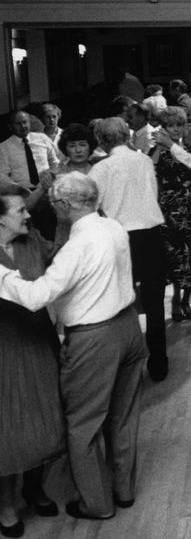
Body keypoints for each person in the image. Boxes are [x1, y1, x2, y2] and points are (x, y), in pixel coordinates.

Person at [0, 172, 147, 521]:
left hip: (95, 339)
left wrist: (3, 276)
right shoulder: (112, 227)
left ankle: (96, 504)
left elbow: (36, 297)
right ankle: (124, 491)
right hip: (128, 328)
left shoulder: (78, 245)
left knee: (83, 425)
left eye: (53, 204)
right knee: (124, 418)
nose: (37, 213)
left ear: (65, 206)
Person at [0, 188, 64, 537]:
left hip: (40, 343)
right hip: (5, 351)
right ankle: (6, 503)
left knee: (47, 419)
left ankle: (34, 488)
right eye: (21, 211)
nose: (28, 215)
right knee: (9, 430)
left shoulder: (33, 239)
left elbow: (65, 260)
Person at [90, 117, 169, 382]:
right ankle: (159, 363)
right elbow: (154, 195)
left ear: (100, 141)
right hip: (152, 235)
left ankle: (128, 365)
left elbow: (92, 208)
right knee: (155, 301)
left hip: (120, 237)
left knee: (123, 301)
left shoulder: (101, 169)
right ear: (127, 135)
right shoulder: (145, 160)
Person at [151, 106, 191, 324]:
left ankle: (186, 300)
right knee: (175, 255)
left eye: (178, 125)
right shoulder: (158, 150)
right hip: (170, 207)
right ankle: (175, 299)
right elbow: (151, 169)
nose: (174, 129)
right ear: (163, 128)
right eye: (169, 125)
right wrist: (159, 146)